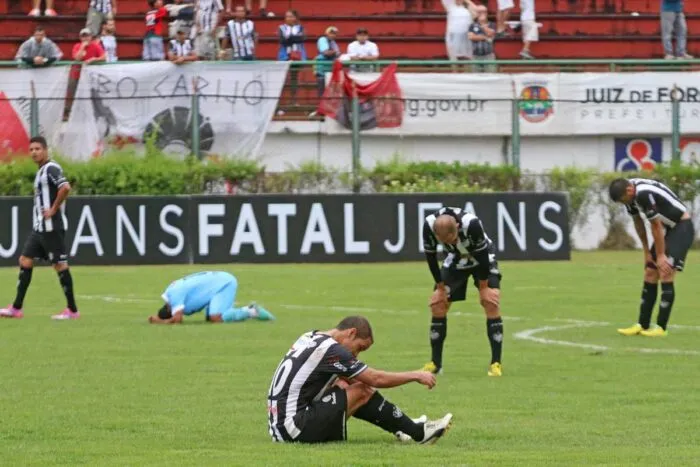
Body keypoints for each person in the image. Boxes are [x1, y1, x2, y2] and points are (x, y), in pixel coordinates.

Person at [267, 315, 453, 444]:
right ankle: (419, 433)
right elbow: (375, 378)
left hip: (280, 426)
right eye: (359, 348)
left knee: (350, 382)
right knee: (361, 389)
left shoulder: (311, 336)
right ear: (351, 333)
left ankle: (403, 427)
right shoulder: (331, 350)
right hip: (294, 428)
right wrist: (416, 375)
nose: (356, 354)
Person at [0, 137, 79, 321]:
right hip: (40, 228)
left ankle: (72, 310)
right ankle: (16, 308)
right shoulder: (42, 171)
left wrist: (53, 209)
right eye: (31, 149)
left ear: (45, 150)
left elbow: (65, 187)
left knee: (60, 265)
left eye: (38, 148)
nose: (34, 152)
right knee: (25, 260)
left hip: (51, 227)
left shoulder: (51, 168)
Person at [421, 207, 504, 377]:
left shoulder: (472, 224)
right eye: (445, 242)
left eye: (452, 240)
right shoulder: (429, 226)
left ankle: (496, 363)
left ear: (457, 227)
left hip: (482, 257)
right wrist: (440, 289)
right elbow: (431, 258)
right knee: (438, 305)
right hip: (455, 260)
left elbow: (482, 257)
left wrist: (484, 289)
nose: (450, 243)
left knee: (490, 302)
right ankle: (435, 364)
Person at [610, 178, 695, 337]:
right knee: (650, 272)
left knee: (666, 271)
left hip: (681, 227)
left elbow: (655, 225)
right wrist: (646, 253)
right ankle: (642, 324)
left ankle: (661, 328)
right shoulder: (630, 196)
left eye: (623, 200)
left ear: (629, 191)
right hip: (667, 230)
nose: (624, 203)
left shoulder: (643, 193)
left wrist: (661, 255)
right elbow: (638, 223)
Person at [148, 271, 275, 324]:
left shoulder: (174, 295)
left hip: (224, 283)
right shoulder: (172, 292)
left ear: (170, 308)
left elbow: (177, 319)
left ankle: (251, 311)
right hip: (217, 283)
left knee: (216, 317)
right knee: (210, 318)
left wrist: (160, 322)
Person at [469, 4, 496, 72]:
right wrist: (485, 37)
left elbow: (490, 34)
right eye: (479, 12)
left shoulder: (492, 24)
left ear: (486, 13)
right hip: (475, 56)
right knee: (475, 78)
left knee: (490, 76)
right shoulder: (472, 25)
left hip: (488, 55)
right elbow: (471, 37)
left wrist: (482, 25)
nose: (482, 14)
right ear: (476, 13)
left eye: (483, 12)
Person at [314, 26, 340, 97]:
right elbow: (326, 52)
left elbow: (338, 54)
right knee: (322, 89)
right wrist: (334, 52)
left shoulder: (333, 43)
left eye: (334, 34)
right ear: (327, 33)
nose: (332, 35)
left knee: (330, 90)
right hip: (321, 68)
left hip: (330, 69)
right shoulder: (322, 39)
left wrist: (334, 52)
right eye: (331, 33)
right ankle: (320, 106)